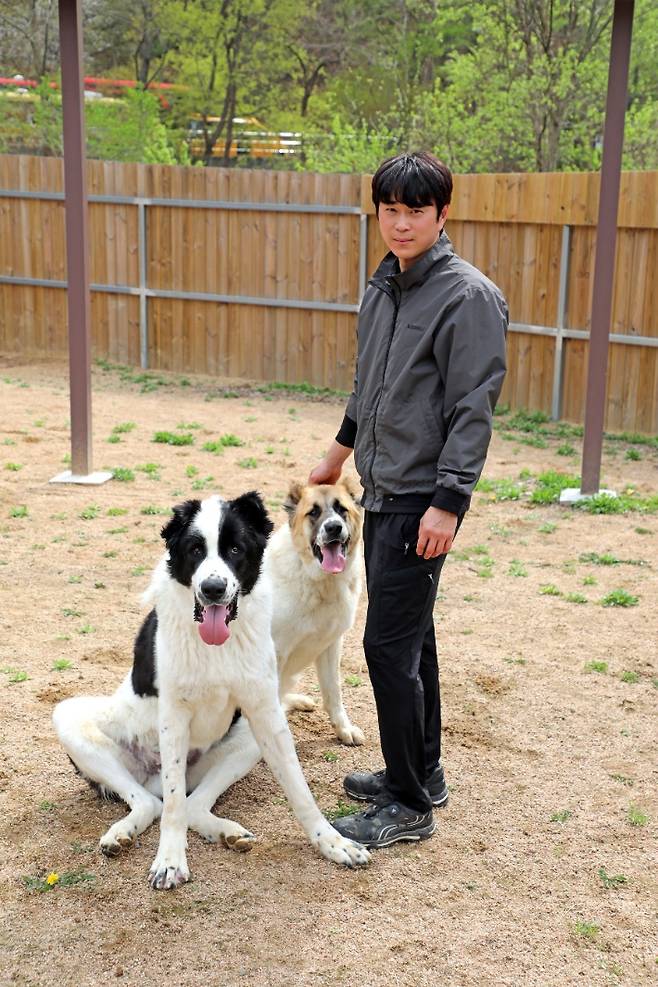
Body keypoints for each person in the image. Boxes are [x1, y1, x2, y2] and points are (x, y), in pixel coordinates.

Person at [308, 151, 508, 849]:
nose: (399, 222)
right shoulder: (384, 286)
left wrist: (449, 503)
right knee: (413, 636)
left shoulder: (466, 297)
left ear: (443, 214)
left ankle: (406, 801)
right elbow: (369, 383)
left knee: (386, 646)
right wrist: (338, 449)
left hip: (423, 493)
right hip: (381, 486)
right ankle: (423, 768)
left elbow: (472, 409)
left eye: (415, 210)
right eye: (388, 209)